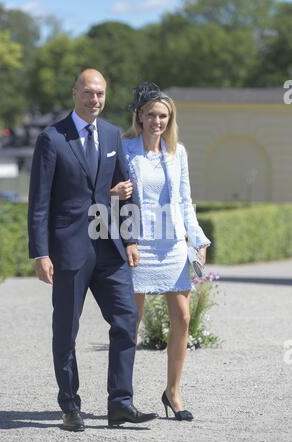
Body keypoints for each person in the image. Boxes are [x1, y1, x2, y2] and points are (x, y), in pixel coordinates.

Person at [28, 69, 158, 431]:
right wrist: (40, 253)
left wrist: (130, 239)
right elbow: (39, 202)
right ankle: (70, 405)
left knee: (126, 321)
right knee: (66, 330)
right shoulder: (51, 138)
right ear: (74, 93)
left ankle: (120, 403)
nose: (94, 100)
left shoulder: (113, 133)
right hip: (68, 250)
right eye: (88, 93)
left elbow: (125, 191)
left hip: (109, 249)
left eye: (100, 93)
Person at [121, 82, 211, 421]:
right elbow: (114, 195)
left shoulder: (178, 153)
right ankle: (123, 397)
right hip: (139, 244)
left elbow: (185, 201)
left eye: (163, 115)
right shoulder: (125, 149)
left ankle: (173, 392)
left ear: (169, 119)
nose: (157, 121)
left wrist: (197, 238)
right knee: (132, 322)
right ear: (140, 117)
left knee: (183, 318)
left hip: (172, 245)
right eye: (151, 115)